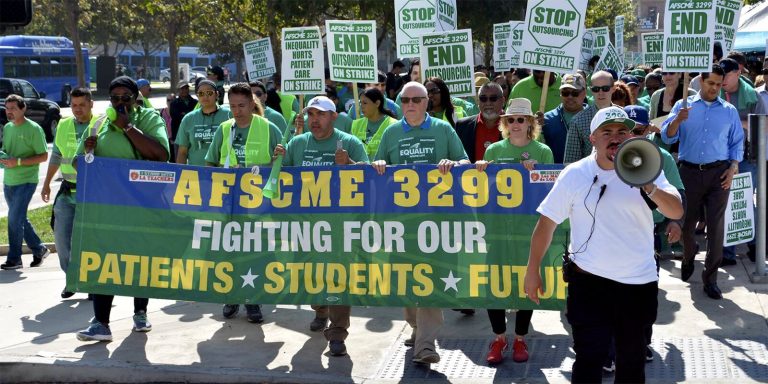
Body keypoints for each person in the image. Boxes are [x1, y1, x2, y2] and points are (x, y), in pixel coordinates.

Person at [525, 106, 683, 382]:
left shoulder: (647, 166)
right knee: (588, 360)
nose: (616, 137)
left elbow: (676, 211)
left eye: (622, 131)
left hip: (637, 283)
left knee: (632, 363)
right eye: (607, 132)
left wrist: (649, 185)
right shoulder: (575, 174)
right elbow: (546, 224)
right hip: (589, 284)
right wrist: (532, 270)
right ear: (592, 139)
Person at [372, 82, 470, 364]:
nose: (410, 104)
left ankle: (426, 345)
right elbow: (376, 167)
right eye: (405, 100)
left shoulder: (443, 129)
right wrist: (378, 165)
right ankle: (416, 328)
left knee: (429, 280)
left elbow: (465, 162)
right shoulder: (390, 132)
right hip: (401, 224)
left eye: (417, 99)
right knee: (406, 282)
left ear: (428, 102)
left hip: (436, 222)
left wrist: (453, 164)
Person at [76, 76, 170, 341]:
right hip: (108, 208)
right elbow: (78, 164)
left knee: (140, 259)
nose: (119, 103)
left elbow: (161, 155)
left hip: (142, 206)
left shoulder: (149, 119)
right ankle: (101, 323)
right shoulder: (98, 124)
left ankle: (140, 311)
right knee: (105, 260)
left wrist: (127, 127)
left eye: (125, 98)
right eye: (114, 98)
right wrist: (87, 153)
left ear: (135, 98)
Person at [274, 95, 368, 356]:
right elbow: (281, 182)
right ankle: (320, 308)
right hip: (305, 227)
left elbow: (370, 177)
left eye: (321, 114)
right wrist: (277, 162)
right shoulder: (297, 143)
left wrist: (348, 164)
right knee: (311, 277)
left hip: (340, 227)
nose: (314, 120)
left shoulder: (349, 143)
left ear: (334, 117)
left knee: (339, 278)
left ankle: (338, 333)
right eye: (310, 115)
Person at [475, 98, 553, 364]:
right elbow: (483, 192)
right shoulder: (494, 151)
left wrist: (536, 174)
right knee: (494, 283)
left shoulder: (542, 152)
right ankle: (499, 338)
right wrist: (481, 171)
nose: (516, 124)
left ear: (530, 123)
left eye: (521, 119)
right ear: (504, 123)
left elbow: (548, 192)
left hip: (527, 230)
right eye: (511, 120)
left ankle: (520, 338)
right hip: (498, 229)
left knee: (526, 284)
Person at [661, 64, 744, 300]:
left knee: (716, 229)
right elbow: (667, 136)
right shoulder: (683, 105)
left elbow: (737, 142)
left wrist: (733, 167)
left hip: (719, 173)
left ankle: (710, 278)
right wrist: (677, 120)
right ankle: (688, 256)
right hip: (688, 173)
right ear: (701, 82)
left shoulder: (728, 111)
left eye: (719, 84)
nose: (715, 88)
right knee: (687, 225)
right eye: (711, 84)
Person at [203, 83, 283, 323]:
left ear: (252, 104)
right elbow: (210, 163)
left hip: (259, 206)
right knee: (229, 250)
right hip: (229, 205)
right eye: (232, 106)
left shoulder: (269, 129)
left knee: (255, 253)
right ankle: (231, 296)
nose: (237, 111)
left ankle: (253, 301)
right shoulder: (224, 129)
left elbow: (283, 167)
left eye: (241, 105)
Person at [624, 104, 685, 362]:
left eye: (639, 130)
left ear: (649, 129)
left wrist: (676, 223)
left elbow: (677, 194)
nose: (634, 135)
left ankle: (642, 342)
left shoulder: (663, 157)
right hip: (617, 234)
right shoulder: (609, 157)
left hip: (651, 232)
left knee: (645, 295)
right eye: (629, 130)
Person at [40, 87, 100, 295]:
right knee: (62, 240)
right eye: (74, 105)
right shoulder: (64, 125)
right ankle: (72, 278)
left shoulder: (100, 124)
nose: (77, 109)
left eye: (82, 105)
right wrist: (47, 183)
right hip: (66, 191)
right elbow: (56, 155)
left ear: (91, 104)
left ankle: (91, 284)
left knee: (89, 241)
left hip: (91, 193)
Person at [717, 58, 765, 266]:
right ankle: (728, 252)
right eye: (721, 75)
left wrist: (737, 122)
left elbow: (764, 124)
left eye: (727, 74)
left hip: (746, 157)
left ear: (738, 72)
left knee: (741, 201)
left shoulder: (753, 96)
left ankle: (754, 245)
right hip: (719, 157)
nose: (723, 79)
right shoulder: (713, 92)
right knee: (723, 203)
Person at [0, 95, 51, 270]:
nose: (9, 112)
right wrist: (2, 157)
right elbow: (6, 151)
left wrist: (18, 162)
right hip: (9, 181)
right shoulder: (7, 128)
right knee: (20, 218)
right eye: (7, 108)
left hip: (27, 181)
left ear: (23, 109)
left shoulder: (34, 129)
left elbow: (44, 156)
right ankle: (39, 249)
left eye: (13, 108)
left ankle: (15, 258)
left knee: (14, 219)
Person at [563, 71, 616, 162]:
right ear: (591, 90)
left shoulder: (625, 115)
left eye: (605, 88)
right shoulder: (578, 121)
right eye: (596, 89)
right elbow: (571, 162)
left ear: (613, 88)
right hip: (591, 175)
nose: (600, 92)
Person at [176, 80, 231, 166]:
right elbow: (182, 152)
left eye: (209, 93)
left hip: (223, 173)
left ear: (217, 94)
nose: (205, 96)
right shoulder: (188, 119)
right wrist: (180, 173)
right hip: (195, 174)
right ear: (197, 96)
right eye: (201, 93)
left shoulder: (229, 115)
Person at [541, 74, 587, 163]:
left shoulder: (594, 118)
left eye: (575, 93)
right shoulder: (547, 119)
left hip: (587, 173)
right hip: (556, 174)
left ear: (584, 93)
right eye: (565, 93)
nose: (570, 97)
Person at [455, 82, 505, 162]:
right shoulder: (462, 126)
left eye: (493, 98)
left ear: (503, 100)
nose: (488, 103)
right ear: (478, 101)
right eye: (483, 99)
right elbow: (455, 156)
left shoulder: (515, 125)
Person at [351, 88, 398, 158]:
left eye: (365, 103)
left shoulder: (393, 125)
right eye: (360, 103)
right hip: (361, 168)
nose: (361, 106)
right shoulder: (356, 125)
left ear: (377, 103)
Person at [169, 81, 199, 162]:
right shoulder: (174, 103)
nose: (184, 90)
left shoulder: (195, 102)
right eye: (182, 88)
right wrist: (188, 114)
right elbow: (176, 117)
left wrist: (184, 114)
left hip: (193, 135)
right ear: (178, 90)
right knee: (179, 159)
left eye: (186, 88)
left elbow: (196, 116)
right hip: (178, 135)